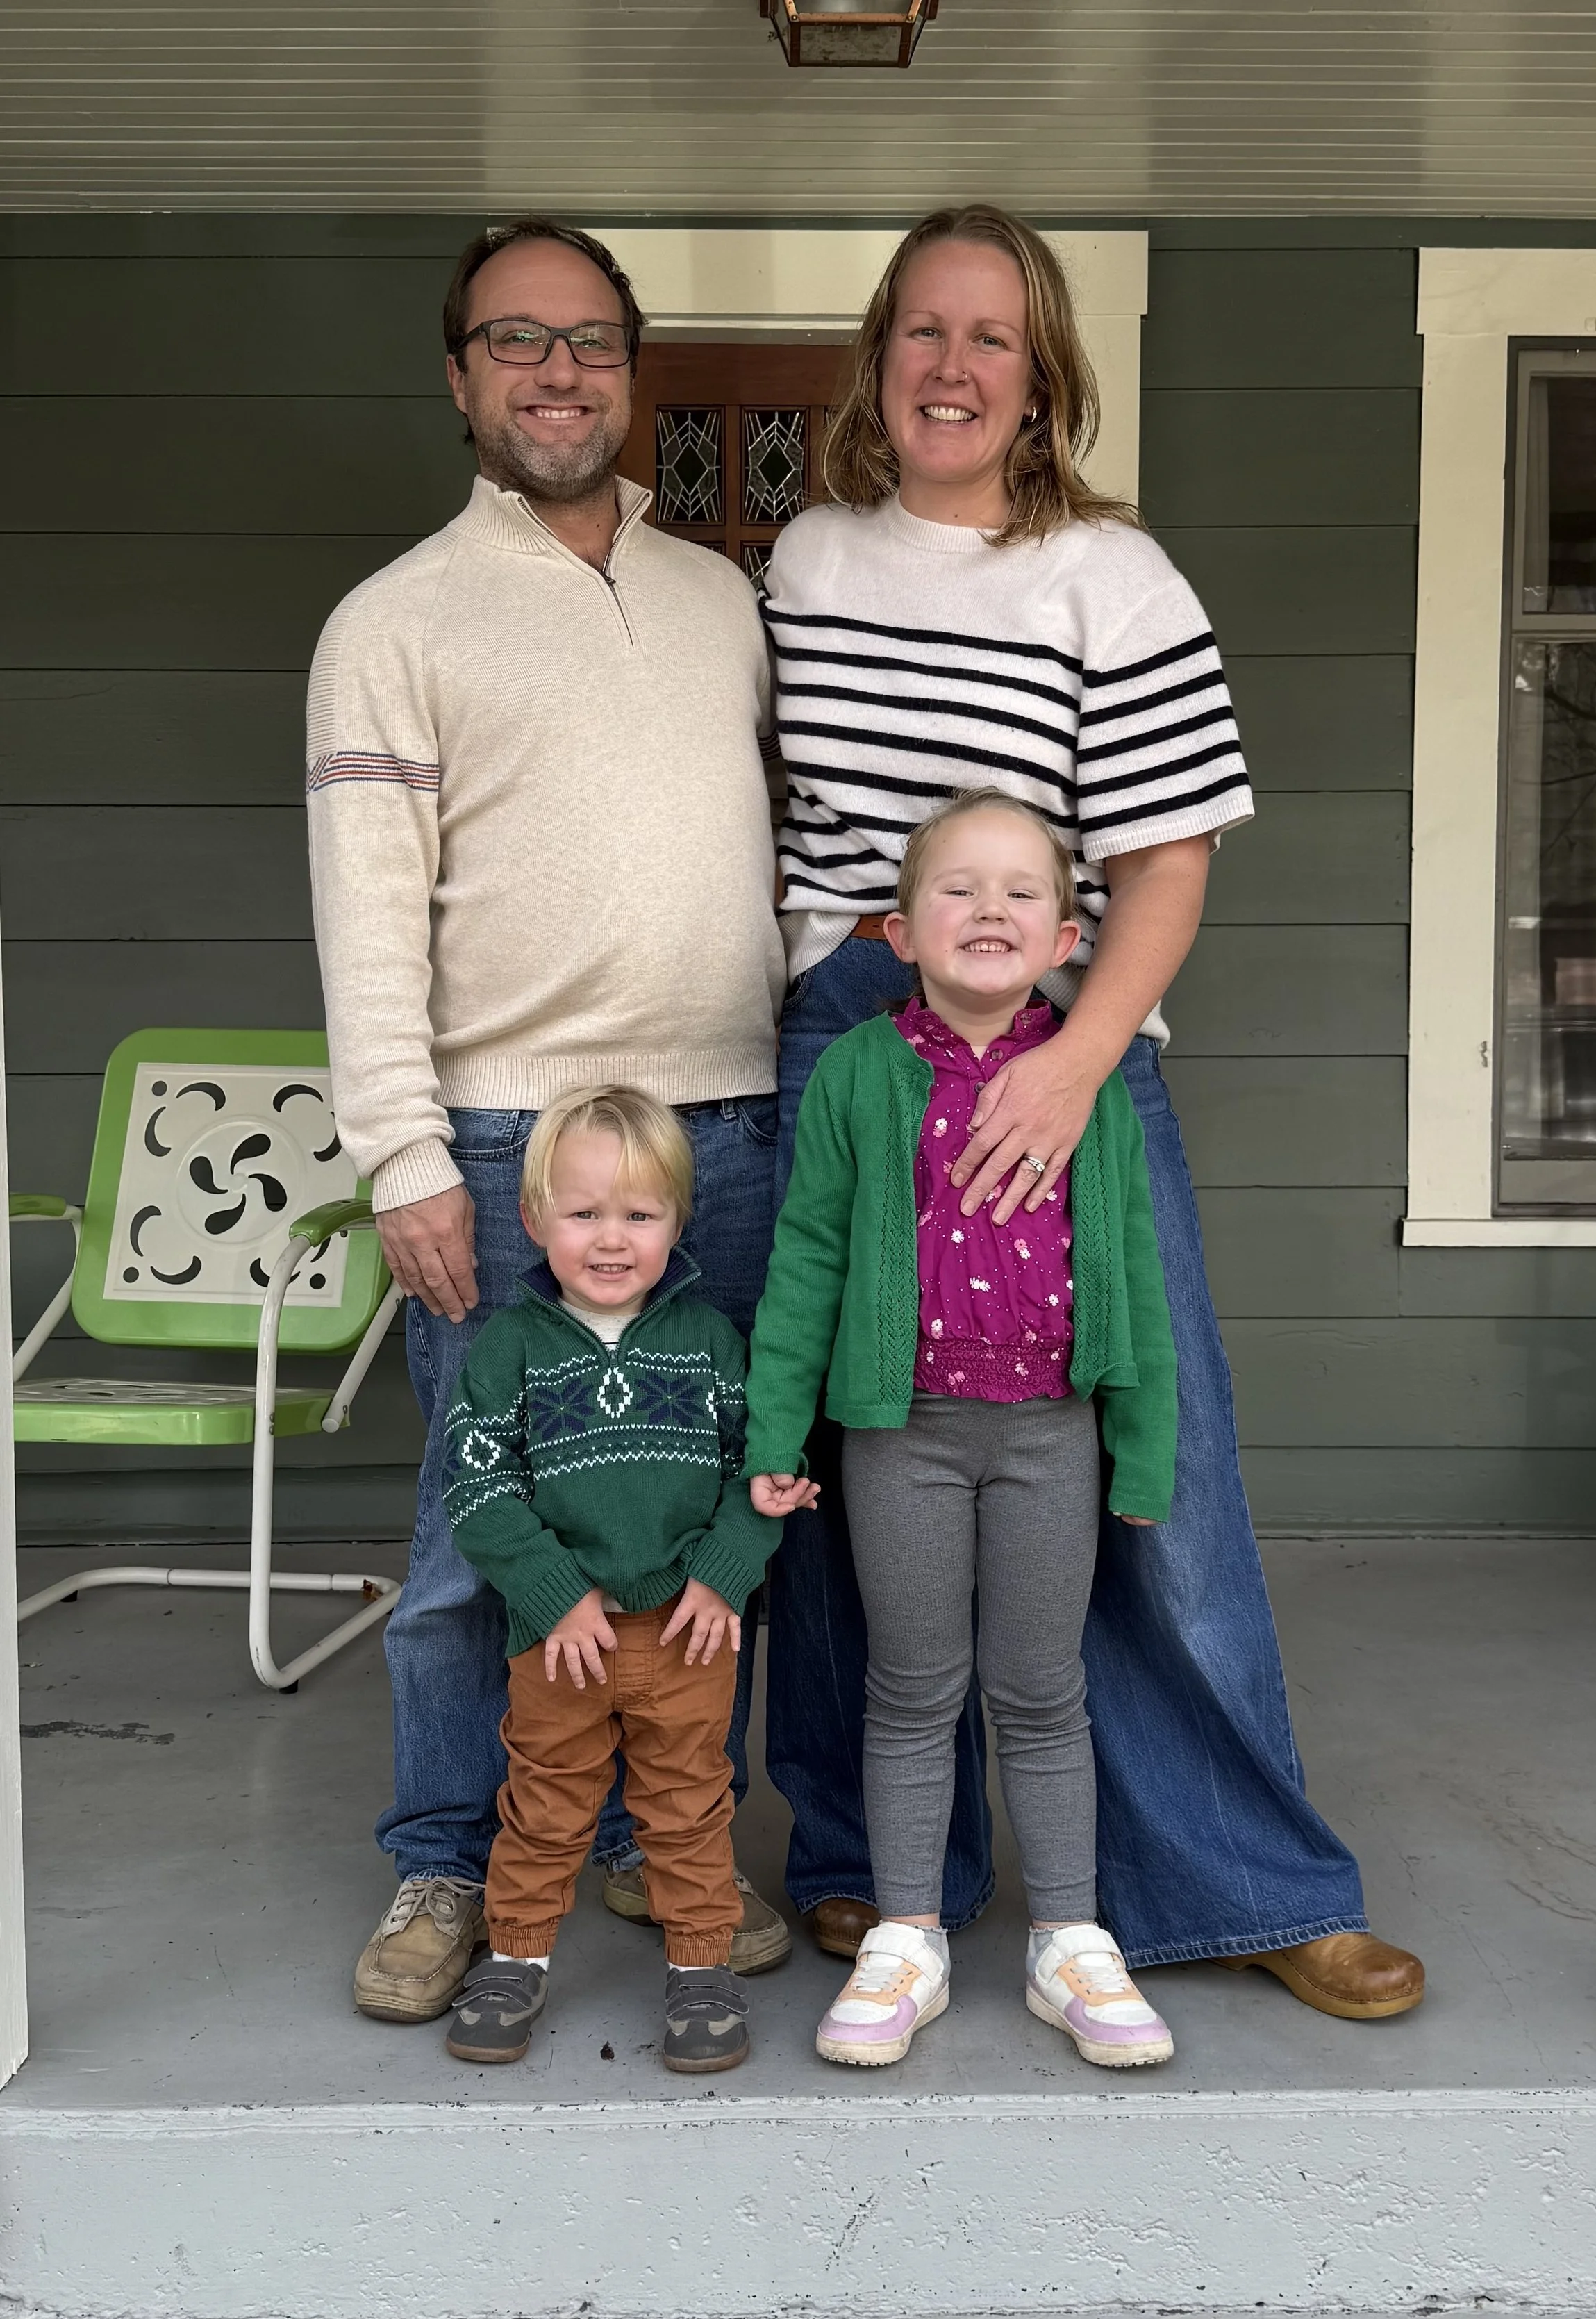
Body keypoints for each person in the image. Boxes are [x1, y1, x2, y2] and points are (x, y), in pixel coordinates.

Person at [760, 203, 1425, 2020]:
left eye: (990, 337)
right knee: (846, 1436)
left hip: (1066, 1035)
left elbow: (1163, 860)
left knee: (1146, 1452)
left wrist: (1071, 1062)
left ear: (1045, 378)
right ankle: (871, 1864)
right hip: (847, 1030)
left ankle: (1236, 1878)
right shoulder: (806, 562)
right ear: (875, 360)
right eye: (920, 330)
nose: (951, 366)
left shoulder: (1111, 579)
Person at [306, 215, 790, 2029]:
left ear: (631, 373)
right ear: (459, 377)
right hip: (508, 1153)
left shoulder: (717, 597)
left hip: (727, 1135)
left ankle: (649, 1840)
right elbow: (365, 912)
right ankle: (446, 1854)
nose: (557, 371)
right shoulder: (393, 623)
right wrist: (403, 1153)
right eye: (516, 340)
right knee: (472, 1525)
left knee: (691, 1512)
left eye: (588, 340)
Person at [748, 793, 1179, 2070]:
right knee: (911, 1689)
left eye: (1021, 892)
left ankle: (1068, 1938)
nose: (989, 910)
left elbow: (1137, 1275)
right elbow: (808, 1258)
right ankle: (907, 1935)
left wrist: (1144, 1448)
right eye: (957, 889)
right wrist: (780, 1431)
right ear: (896, 928)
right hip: (906, 1438)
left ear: (1064, 940)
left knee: (1044, 1692)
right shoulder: (859, 1071)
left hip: (1053, 1434)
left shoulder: (1088, 1085)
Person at [442, 1088, 779, 2071]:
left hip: (687, 1633)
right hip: (561, 1639)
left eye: (640, 1214)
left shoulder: (713, 1344)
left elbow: (757, 1476)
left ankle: (702, 1970)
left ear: (679, 1221)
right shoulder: (510, 1349)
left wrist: (723, 1576)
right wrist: (550, 1590)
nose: (611, 1239)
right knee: (545, 1805)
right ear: (534, 1219)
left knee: (687, 1804)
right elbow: (480, 1485)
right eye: (584, 1213)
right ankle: (512, 1956)